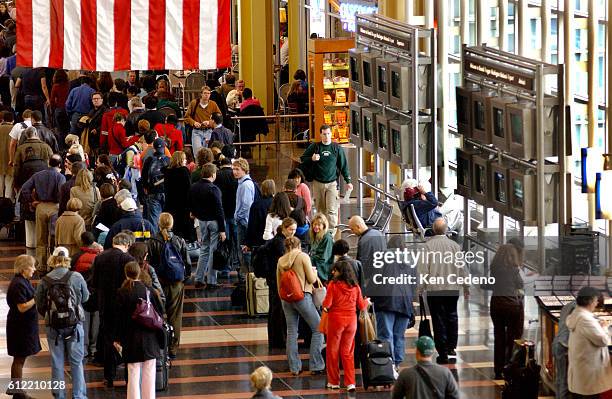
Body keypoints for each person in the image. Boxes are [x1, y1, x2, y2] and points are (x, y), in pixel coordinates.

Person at [35, 247, 89, 399]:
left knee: (56, 362)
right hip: (75, 324)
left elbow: (40, 304)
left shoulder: (45, 280)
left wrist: (50, 316)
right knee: (76, 362)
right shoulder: (76, 276)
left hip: (53, 326)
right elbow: (85, 298)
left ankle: (59, 395)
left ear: (53, 259)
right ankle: (79, 395)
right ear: (67, 259)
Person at [418, 218, 469, 364]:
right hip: (452, 289)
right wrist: (466, 286)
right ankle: (452, 347)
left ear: (433, 230)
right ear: (446, 230)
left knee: (438, 319)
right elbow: (462, 268)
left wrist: (420, 289)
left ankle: (442, 351)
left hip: (435, 290)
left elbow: (423, 270)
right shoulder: (454, 246)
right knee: (452, 316)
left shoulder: (427, 246)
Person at [113, 261, 163, 399]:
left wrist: (117, 338)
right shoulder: (149, 290)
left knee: (133, 371)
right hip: (150, 336)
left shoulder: (122, 292)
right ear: (139, 273)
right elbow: (160, 312)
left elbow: (118, 318)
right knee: (149, 371)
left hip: (130, 337)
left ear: (126, 273)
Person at [91, 232, 135, 386]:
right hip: (124, 306)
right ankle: (129, 378)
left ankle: (108, 377)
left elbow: (94, 283)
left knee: (108, 340)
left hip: (106, 306)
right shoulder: (128, 259)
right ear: (127, 244)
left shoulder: (100, 257)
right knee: (127, 339)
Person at [277, 236, 325, 376]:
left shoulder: (281, 260)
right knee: (318, 329)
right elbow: (310, 279)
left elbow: (279, 282)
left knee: (292, 332)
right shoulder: (303, 256)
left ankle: (294, 367)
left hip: (287, 299)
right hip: (303, 297)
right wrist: (315, 275)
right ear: (299, 246)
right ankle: (316, 365)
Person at [370, 236, 416, 373]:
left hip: (385, 301)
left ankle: (388, 364)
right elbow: (414, 282)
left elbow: (375, 279)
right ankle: (397, 363)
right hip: (404, 302)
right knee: (399, 335)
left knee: (385, 335)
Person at [322, 260, 369, 392]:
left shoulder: (333, 285)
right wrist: (367, 301)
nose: (333, 272)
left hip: (335, 321)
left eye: (335, 270)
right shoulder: (355, 287)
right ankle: (350, 383)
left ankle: (334, 381)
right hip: (351, 322)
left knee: (332, 351)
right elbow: (361, 305)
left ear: (340, 272)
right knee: (348, 353)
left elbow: (326, 304)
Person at [147, 213, 189, 358]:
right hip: (176, 283)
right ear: (172, 224)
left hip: (159, 283)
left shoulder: (152, 241)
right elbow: (187, 264)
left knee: (157, 315)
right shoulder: (179, 241)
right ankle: (173, 349)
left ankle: (159, 345)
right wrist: (184, 280)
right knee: (175, 317)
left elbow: (149, 264)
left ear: (158, 224)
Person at [299, 125, 352, 231]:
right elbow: (303, 159)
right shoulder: (315, 146)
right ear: (320, 135)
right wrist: (312, 158)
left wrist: (348, 181)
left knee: (332, 210)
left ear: (331, 134)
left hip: (332, 184)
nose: (326, 136)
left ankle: (331, 233)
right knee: (320, 210)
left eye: (328, 134)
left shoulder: (336, 148)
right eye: (324, 134)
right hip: (317, 182)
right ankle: (321, 232)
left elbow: (343, 165)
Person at [20, 154, 66, 269]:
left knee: (40, 238)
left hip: (40, 207)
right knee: (53, 237)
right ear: (60, 165)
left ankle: (41, 265)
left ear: (48, 163)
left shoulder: (37, 175)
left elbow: (25, 188)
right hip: (55, 207)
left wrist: (31, 201)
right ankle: (52, 264)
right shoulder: (60, 177)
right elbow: (61, 194)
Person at [566, 286, 612, 398]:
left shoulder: (577, 314)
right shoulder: (585, 319)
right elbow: (603, 340)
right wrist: (605, 327)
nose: (596, 304)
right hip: (589, 371)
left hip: (583, 368)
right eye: (596, 301)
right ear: (590, 301)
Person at [6, 255, 41, 399]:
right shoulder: (18, 284)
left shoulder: (23, 280)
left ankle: (16, 389)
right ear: (24, 268)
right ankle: (17, 392)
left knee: (19, 358)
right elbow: (22, 307)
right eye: (32, 266)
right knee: (19, 359)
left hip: (23, 326)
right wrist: (36, 298)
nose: (34, 269)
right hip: (20, 327)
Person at [488, 244, 524, 379]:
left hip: (497, 305)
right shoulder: (514, 270)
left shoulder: (494, 269)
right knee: (512, 337)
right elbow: (520, 284)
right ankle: (510, 366)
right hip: (513, 306)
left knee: (499, 337)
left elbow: (490, 284)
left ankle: (498, 370)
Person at [189, 163, 226, 288]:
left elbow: (191, 203)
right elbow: (219, 209)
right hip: (214, 222)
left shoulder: (194, 187)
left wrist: (194, 213)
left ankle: (199, 278)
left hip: (202, 221)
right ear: (213, 174)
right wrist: (222, 229)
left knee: (204, 249)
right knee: (213, 251)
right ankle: (211, 280)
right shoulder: (213, 189)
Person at [391, 336, 460, 399]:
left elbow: (396, 397)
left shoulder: (406, 374)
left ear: (417, 352)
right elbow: (455, 396)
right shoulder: (445, 372)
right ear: (432, 352)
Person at [214, 156, 240, 274]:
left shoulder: (217, 175)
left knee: (225, 242)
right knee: (237, 240)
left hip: (222, 214)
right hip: (234, 213)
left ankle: (225, 268)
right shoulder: (236, 176)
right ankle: (237, 263)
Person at [141, 138, 170, 232]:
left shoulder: (149, 160)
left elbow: (144, 176)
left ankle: (155, 240)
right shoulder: (169, 160)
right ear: (164, 148)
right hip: (166, 192)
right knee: (167, 218)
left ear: (153, 149)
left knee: (154, 218)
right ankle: (167, 238)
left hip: (153, 192)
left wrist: (146, 188)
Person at [233, 158, 256, 276]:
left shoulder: (245, 185)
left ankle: (246, 275)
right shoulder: (242, 183)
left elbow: (246, 205)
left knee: (243, 249)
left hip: (244, 221)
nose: (235, 172)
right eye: (234, 169)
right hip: (243, 220)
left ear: (244, 169)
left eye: (237, 169)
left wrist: (237, 217)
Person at [163, 151, 193, 241]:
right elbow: (189, 189)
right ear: (180, 160)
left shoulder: (167, 172)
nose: (186, 161)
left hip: (171, 203)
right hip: (183, 205)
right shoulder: (184, 171)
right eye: (184, 159)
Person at [185, 85, 222, 156]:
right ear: (201, 94)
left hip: (209, 131)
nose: (207, 95)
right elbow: (186, 117)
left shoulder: (213, 104)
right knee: (197, 153)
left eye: (208, 93)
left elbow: (219, 117)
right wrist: (194, 122)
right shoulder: (194, 103)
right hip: (196, 131)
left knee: (208, 154)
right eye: (205, 93)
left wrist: (209, 122)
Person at [552, 300, 576, 399]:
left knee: (560, 379)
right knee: (564, 381)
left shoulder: (568, 305)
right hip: (564, 346)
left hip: (557, 343)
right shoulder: (577, 309)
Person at [246, 179, 276, 250]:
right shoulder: (276, 203)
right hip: (274, 239)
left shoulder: (256, 204)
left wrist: (248, 243)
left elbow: (252, 225)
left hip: (258, 240)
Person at [309, 213, 334, 282]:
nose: (316, 227)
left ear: (324, 226)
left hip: (323, 272)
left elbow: (323, 258)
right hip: (314, 269)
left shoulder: (327, 238)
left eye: (319, 225)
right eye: (314, 224)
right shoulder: (314, 236)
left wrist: (309, 259)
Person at [0, 111, 14, 200]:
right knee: (9, 184)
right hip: (10, 160)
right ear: (12, 120)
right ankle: (7, 203)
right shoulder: (14, 129)